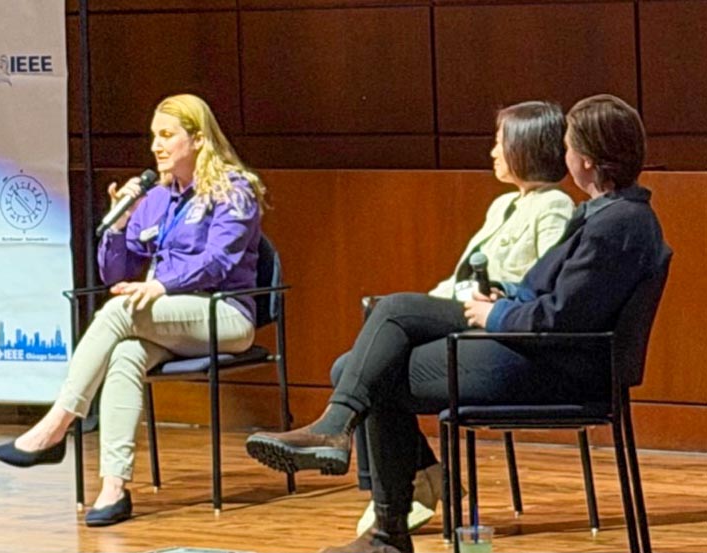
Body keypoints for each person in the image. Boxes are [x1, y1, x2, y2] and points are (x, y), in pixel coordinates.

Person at [245, 94, 668, 553]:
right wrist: (507, 297)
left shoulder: (618, 224)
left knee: (372, 370)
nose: (563, 157)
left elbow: (564, 317)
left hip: (550, 367)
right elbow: (551, 294)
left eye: (568, 146)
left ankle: (383, 525)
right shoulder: (610, 214)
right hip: (537, 350)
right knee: (393, 311)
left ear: (585, 159)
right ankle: (339, 434)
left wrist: (497, 313)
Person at [0, 93, 266, 527]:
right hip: (169, 320)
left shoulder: (233, 189)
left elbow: (219, 261)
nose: (156, 146)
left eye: (167, 135)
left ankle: (57, 424)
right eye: (153, 136)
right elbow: (114, 271)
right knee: (125, 354)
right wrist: (119, 224)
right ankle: (114, 488)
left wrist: (159, 284)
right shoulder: (155, 198)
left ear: (197, 139)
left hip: (224, 314)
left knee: (122, 312)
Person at [332, 101, 575, 536]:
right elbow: (459, 276)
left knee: (368, 357)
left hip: (490, 321)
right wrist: (424, 307)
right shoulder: (502, 204)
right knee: (351, 364)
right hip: (459, 310)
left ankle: (410, 482)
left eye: (499, 143)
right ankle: (421, 474)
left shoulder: (554, 205)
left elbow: (541, 279)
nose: (493, 153)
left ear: (525, 147)